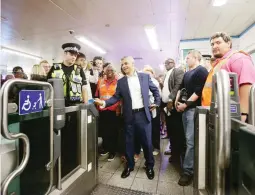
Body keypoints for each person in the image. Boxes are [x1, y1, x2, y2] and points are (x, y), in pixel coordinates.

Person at [94, 56, 160, 180]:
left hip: (143, 115)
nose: (124, 66)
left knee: (147, 142)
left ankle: (149, 165)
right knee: (128, 142)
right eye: (122, 64)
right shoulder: (122, 81)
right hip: (129, 116)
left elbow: (155, 91)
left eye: (126, 63)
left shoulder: (144, 77)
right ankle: (129, 166)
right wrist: (103, 103)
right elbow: (115, 97)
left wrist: (156, 102)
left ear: (132, 64)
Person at [47, 43, 88, 177]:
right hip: (59, 108)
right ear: (65, 54)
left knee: (73, 136)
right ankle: (58, 162)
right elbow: (48, 87)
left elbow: (84, 87)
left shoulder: (79, 69)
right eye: (71, 54)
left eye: (75, 55)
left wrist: (86, 103)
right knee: (59, 135)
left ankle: (71, 163)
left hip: (75, 108)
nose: (74, 57)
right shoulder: (55, 67)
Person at [202, 32, 255, 122]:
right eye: (212, 44)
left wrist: (242, 114)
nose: (214, 46)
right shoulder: (220, 62)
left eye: (218, 43)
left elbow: (246, 85)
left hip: (233, 116)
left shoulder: (238, 58)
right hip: (217, 114)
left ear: (228, 43)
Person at [175, 50, 208, 186]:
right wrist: (177, 102)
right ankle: (188, 165)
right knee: (188, 139)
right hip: (185, 109)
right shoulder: (188, 72)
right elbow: (182, 89)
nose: (186, 60)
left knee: (190, 141)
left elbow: (198, 91)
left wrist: (186, 104)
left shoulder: (201, 71)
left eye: (188, 58)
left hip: (193, 109)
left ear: (196, 58)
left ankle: (188, 171)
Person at [96, 65, 120, 161]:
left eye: (112, 70)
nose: (109, 71)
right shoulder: (100, 81)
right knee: (104, 131)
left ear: (115, 71)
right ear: (104, 72)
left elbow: (120, 97)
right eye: (107, 70)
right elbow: (97, 95)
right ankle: (105, 148)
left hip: (114, 110)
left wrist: (119, 108)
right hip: (102, 110)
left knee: (113, 132)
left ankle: (112, 151)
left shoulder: (119, 82)